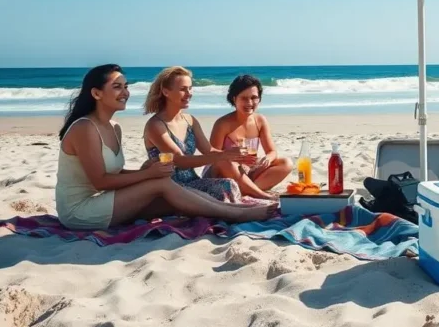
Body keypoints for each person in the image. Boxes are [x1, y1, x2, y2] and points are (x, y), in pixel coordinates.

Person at [55, 64, 277, 230]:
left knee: (179, 195)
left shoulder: (114, 127)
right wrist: (148, 174)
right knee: (163, 184)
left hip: (106, 201)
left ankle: (238, 209)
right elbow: (100, 182)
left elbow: (115, 173)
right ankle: (236, 215)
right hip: (80, 211)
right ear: (96, 93)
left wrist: (143, 172)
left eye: (126, 86)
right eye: (117, 87)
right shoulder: (85, 127)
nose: (125, 92)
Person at [143, 66, 252, 203]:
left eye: (190, 88)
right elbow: (179, 161)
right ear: (166, 92)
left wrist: (236, 156)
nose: (189, 93)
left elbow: (209, 150)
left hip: (192, 182)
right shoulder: (155, 125)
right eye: (183, 89)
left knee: (228, 183)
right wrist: (223, 155)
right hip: (169, 187)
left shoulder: (190, 120)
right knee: (224, 188)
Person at [207, 75, 293, 200]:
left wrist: (267, 159)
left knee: (286, 163)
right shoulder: (223, 123)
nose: (249, 103)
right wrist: (232, 156)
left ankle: (248, 191)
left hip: (248, 172)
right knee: (226, 162)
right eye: (244, 98)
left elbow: (272, 151)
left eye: (254, 98)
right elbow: (212, 157)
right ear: (234, 99)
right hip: (225, 173)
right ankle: (258, 193)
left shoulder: (260, 120)